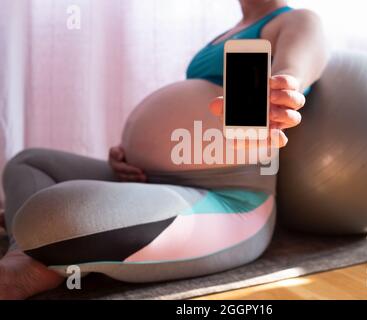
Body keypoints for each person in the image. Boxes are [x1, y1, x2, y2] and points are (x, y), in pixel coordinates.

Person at [0, 0, 328, 299]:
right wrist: (131, 151)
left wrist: (284, 90)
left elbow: (292, 73)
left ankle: (33, 261)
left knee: (52, 211)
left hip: (226, 199)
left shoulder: (297, 21)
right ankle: (26, 253)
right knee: (30, 164)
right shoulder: (227, 33)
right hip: (151, 178)